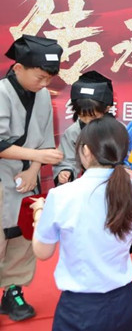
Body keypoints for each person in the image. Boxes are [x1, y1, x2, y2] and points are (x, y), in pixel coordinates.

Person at [31, 116, 132, 331]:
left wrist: (38, 213)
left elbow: (42, 251)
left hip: (80, 308)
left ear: (85, 150)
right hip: (124, 301)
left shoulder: (62, 195)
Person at [0, 35, 64, 322]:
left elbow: (46, 142)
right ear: (18, 68)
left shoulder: (42, 96)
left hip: (28, 180)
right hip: (2, 177)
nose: (44, 84)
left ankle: (12, 292)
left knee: (23, 238)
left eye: (49, 79)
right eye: (40, 77)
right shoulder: (1, 92)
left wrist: (33, 169)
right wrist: (37, 157)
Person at [53, 71, 114, 186]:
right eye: (82, 115)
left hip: (115, 185)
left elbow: (130, 159)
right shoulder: (73, 132)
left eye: (93, 116)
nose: (87, 120)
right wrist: (66, 171)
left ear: (107, 108)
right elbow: (68, 160)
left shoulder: (119, 130)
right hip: (87, 186)